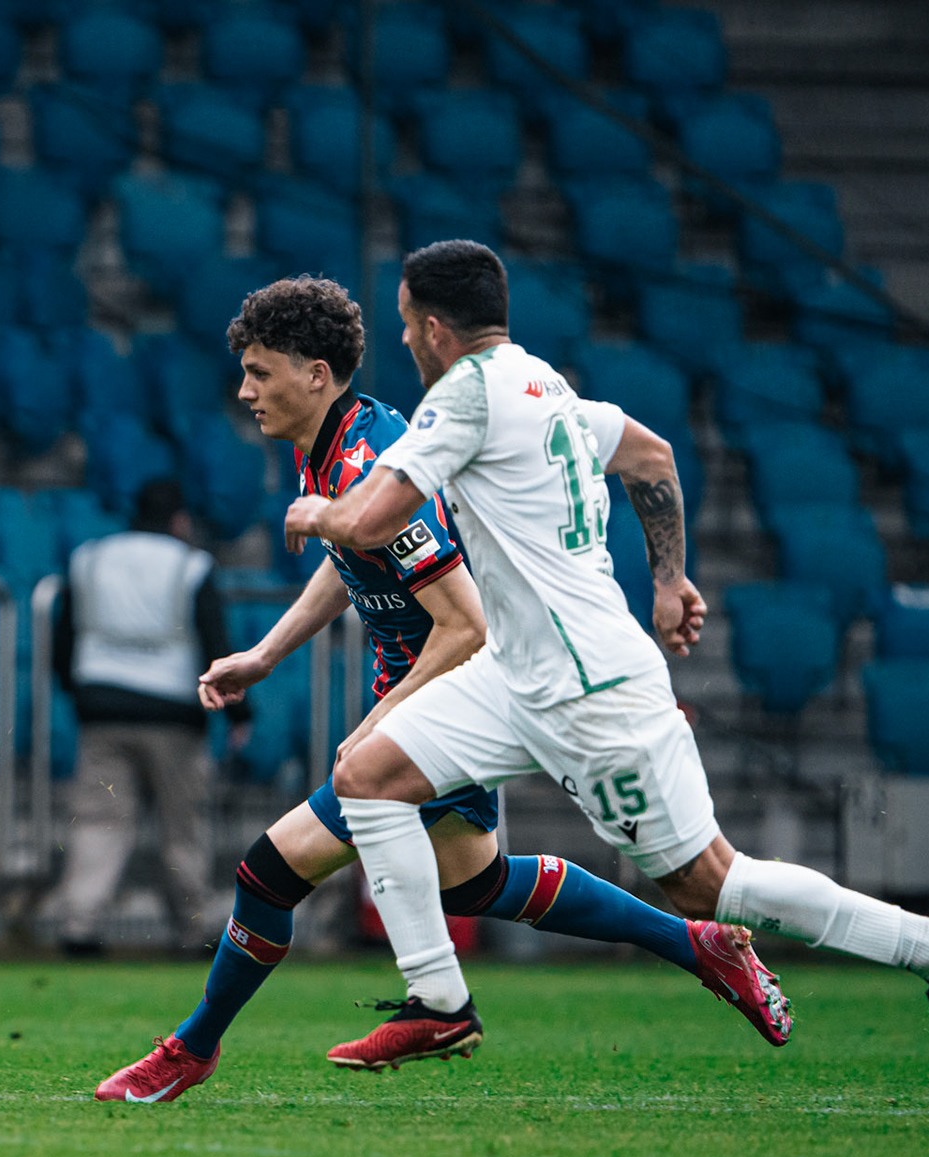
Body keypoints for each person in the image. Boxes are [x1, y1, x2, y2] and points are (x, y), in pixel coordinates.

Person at [288, 240, 929, 1069]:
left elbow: (373, 519)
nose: (405, 341)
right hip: (516, 671)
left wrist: (319, 514)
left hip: (590, 689)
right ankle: (438, 1003)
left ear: (437, 328)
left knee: (709, 885)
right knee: (366, 777)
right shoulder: (540, 382)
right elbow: (651, 455)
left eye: (408, 325)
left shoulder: (468, 396)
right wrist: (669, 580)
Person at [95, 277, 790, 1103]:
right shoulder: (332, 443)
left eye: (259, 372)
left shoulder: (370, 455)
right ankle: (698, 944)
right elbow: (350, 558)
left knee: (267, 876)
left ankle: (192, 1050)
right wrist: (265, 654)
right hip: (440, 690)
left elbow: (465, 623)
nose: (244, 391)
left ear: (316, 374)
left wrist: (381, 723)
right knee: (474, 882)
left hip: (458, 693)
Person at [51, 478, 248, 954]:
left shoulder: (90, 558)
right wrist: (240, 715)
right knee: (183, 826)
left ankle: (80, 925)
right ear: (179, 519)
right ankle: (191, 928)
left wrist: (79, 691)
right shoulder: (192, 565)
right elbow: (214, 643)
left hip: (101, 708)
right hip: (174, 713)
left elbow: (63, 640)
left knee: (100, 821)